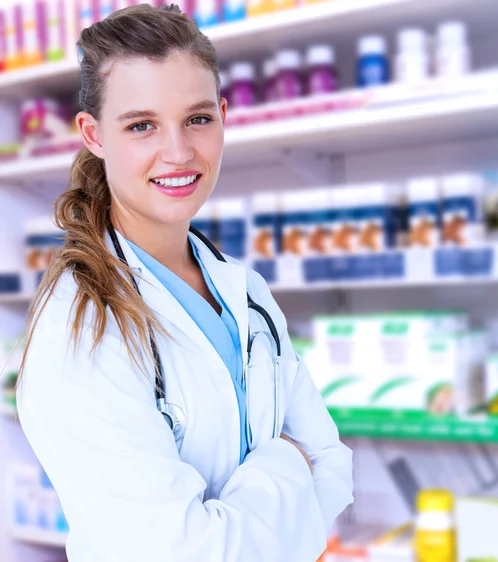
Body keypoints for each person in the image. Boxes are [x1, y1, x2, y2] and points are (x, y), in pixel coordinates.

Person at [16, 4, 353, 561]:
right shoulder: (81, 329)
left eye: (197, 118)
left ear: (223, 115)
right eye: (141, 125)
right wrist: (289, 463)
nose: (178, 152)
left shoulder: (246, 292)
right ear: (93, 134)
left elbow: (335, 465)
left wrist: (246, 520)